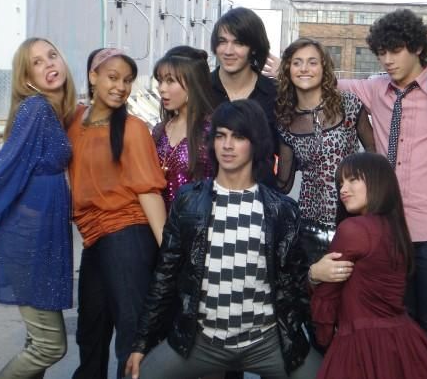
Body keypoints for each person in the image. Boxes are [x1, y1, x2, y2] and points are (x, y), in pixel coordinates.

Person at [124, 100, 322, 379]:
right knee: (139, 374)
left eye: (238, 137)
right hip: (201, 341)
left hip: (266, 341)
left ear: (256, 143)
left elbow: (296, 288)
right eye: (221, 135)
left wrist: (324, 344)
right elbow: (164, 277)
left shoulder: (281, 210)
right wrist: (141, 343)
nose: (227, 145)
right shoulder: (189, 201)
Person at [329, 9, 427, 377]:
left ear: (418, 47)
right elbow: (325, 84)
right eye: (382, 52)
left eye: (396, 50)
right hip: (388, 232)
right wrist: (281, 69)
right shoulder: (375, 89)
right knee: (397, 322)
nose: (387, 60)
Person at [0, 37, 76, 377]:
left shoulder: (54, 112)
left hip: (42, 241)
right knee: (50, 346)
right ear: (26, 76)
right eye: (36, 62)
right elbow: (3, 171)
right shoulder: (36, 109)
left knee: (37, 342)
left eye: (52, 54)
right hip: (28, 244)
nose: (48, 64)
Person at [68, 48, 167, 379]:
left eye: (127, 81)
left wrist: (168, 250)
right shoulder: (75, 122)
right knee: (90, 328)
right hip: (94, 237)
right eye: (112, 78)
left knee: (131, 331)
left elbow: (149, 192)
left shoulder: (133, 129)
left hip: (128, 234)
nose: (121, 87)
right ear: (93, 77)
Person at [311, 152, 427, 379]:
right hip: (401, 341)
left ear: (378, 182)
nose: (343, 189)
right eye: (340, 182)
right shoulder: (396, 229)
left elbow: (328, 295)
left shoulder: (353, 229)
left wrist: (313, 275)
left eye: (353, 179)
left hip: (359, 346)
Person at [276, 37, 375, 270]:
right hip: (309, 225)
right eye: (297, 62)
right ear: (288, 69)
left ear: (324, 68)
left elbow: (374, 154)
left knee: (354, 295)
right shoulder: (285, 120)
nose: (304, 69)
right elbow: (284, 182)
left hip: (354, 219)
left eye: (312, 62)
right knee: (317, 297)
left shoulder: (349, 104)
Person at [210, 7, 278, 187]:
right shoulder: (199, 89)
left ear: (254, 48)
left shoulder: (274, 94)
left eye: (238, 43)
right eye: (222, 41)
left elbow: (286, 150)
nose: (228, 51)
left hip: (261, 201)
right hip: (206, 200)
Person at [152, 46, 217, 210]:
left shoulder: (213, 131)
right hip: (158, 227)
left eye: (170, 81)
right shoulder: (159, 130)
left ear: (193, 84)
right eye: (160, 81)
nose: (161, 89)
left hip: (198, 227)